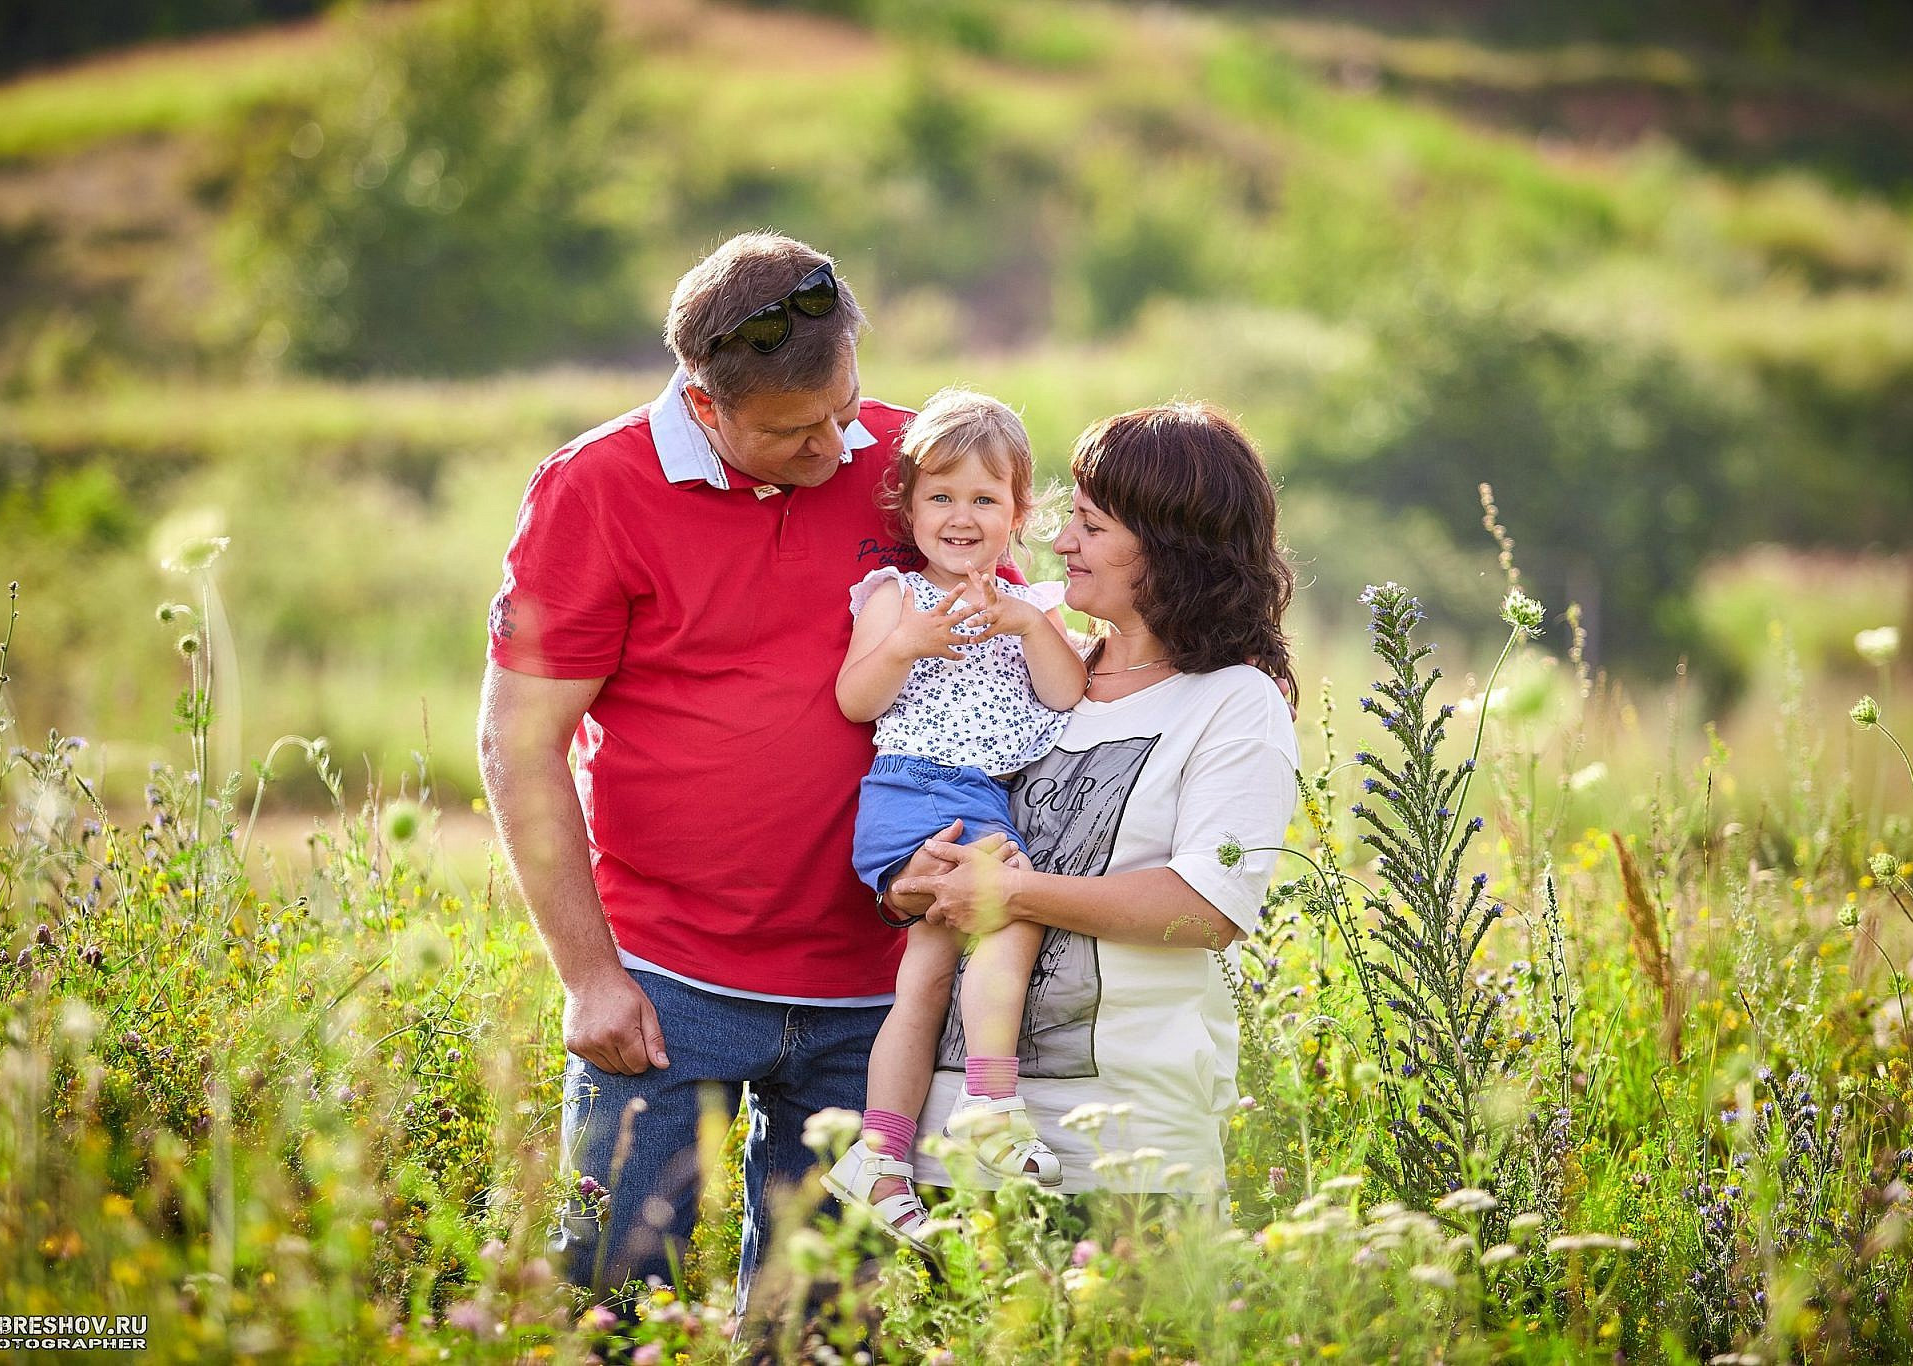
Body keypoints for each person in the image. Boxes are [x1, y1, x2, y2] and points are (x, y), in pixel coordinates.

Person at [476, 232, 1001, 1307]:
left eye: (845, 406)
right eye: (792, 432)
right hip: (665, 987)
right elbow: (516, 743)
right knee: (602, 1297)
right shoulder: (592, 489)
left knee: (823, 1325)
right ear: (703, 404)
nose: (836, 446)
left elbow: (1016, 653)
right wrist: (587, 976)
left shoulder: (916, 461)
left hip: (875, 998)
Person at [889, 402, 1301, 1202]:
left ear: (1174, 545)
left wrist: (1009, 892)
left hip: (1124, 1155)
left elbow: (1207, 910)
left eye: (1092, 524)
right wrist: (914, 886)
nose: (1062, 542)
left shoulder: (1233, 702)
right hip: (954, 1147)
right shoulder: (1040, 670)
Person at [819, 390, 1087, 1253]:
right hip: (917, 794)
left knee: (923, 983)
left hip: (976, 800)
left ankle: (882, 1156)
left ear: (1020, 511)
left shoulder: (1029, 603)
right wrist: (904, 647)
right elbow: (854, 698)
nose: (961, 516)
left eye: (984, 499)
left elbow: (1064, 692)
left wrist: (1027, 622)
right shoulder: (895, 595)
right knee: (1014, 912)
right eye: (941, 496)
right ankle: (990, 1107)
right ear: (908, 506)